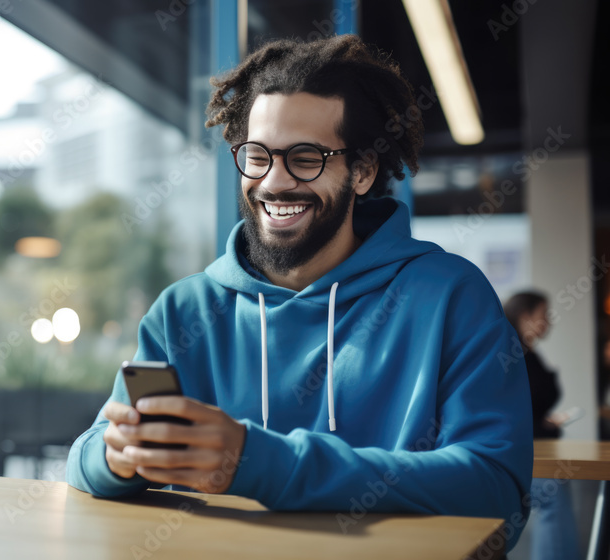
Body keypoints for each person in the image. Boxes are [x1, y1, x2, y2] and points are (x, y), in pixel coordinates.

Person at [66, 34, 533, 552]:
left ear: (362, 171)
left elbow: (498, 490)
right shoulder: (185, 310)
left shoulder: (450, 296)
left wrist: (258, 462)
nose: (274, 182)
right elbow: (87, 456)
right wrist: (118, 458)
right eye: (257, 155)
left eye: (305, 158)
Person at [503, 291, 581, 560]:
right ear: (525, 317)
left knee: (556, 484)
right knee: (552, 490)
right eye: (543, 315)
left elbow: (528, 407)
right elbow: (506, 413)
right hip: (509, 455)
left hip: (533, 447)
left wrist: (544, 423)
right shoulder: (510, 353)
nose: (549, 321)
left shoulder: (529, 354)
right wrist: (543, 426)